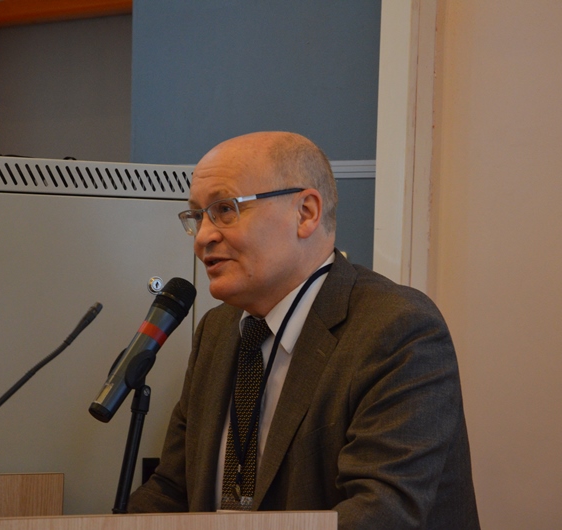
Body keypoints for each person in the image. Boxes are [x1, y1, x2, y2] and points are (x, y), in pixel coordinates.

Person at [126, 131, 480, 529]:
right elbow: (173, 491)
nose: (204, 236)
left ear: (306, 213)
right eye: (198, 216)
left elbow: (380, 513)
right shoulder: (216, 330)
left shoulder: (397, 328)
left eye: (225, 210)